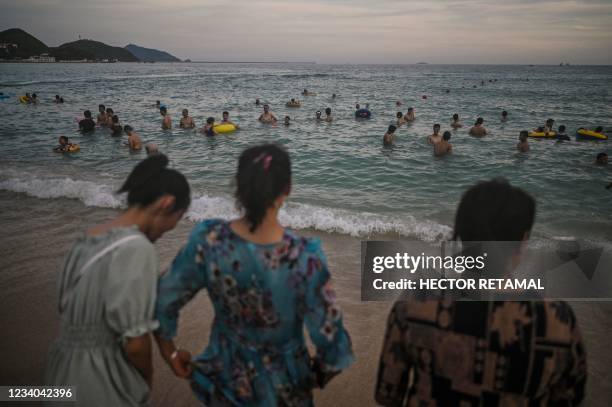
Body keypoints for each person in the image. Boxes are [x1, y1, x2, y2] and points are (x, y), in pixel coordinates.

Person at [154, 144, 354, 406]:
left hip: (226, 383)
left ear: (238, 186)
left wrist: (170, 354)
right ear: (288, 189)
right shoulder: (305, 257)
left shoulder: (210, 240)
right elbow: (333, 345)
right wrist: (314, 375)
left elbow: (162, 301)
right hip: (287, 389)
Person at [375, 178, 587, 407]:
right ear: (523, 240)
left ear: (461, 236)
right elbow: (569, 399)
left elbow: (387, 394)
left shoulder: (417, 301)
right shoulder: (558, 321)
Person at [45, 155, 190, 407]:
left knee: (14, 394)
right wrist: (145, 380)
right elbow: (135, 343)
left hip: (60, 372)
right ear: (167, 204)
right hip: (102, 379)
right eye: (175, 221)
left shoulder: (86, 239)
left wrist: (170, 353)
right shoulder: (137, 248)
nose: (169, 228)